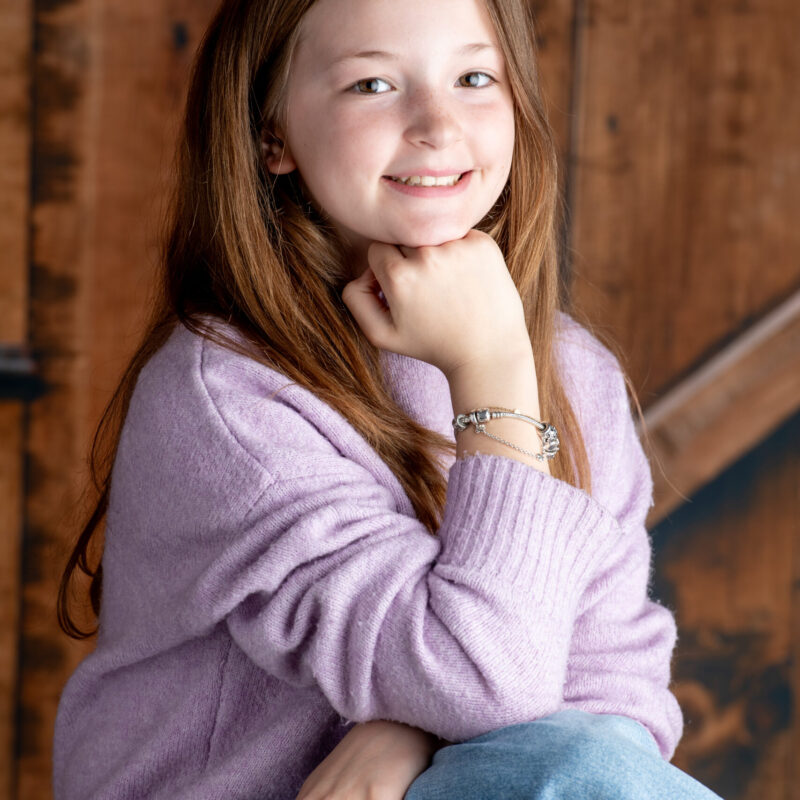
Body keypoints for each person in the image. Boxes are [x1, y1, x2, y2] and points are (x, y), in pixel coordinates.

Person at [52, 0, 724, 798]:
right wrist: (495, 379)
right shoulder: (228, 399)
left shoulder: (573, 371)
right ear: (273, 134)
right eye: (372, 84)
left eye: (475, 77)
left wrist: (409, 728)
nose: (438, 124)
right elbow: (491, 685)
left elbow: (616, 693)